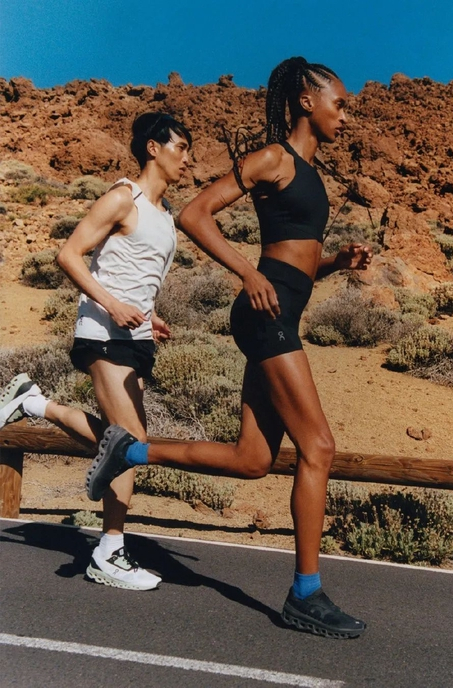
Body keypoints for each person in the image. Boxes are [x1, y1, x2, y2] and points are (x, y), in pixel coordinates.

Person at [85, 57, 372, 638]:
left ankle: (130, 453)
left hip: (281, 310)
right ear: (306, 102)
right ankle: (306, 594)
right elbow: (196, 214)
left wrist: (336, 262)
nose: (346, 115)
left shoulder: (312, 174)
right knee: (318, 446)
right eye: (339, 104)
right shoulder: (274, 158)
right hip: (266, 315)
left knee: (253, 460)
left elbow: (296, 262)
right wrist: (247, 271)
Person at [0, 111, 192, 591]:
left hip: (136, 335)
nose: (188, 159)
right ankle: (109, 551)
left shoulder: (166, 215)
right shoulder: (123, 197)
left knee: (122, 441)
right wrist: (113, 304)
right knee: (128, 441)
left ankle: (34, 403)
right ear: (153, 148)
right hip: (103, 330)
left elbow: (137, 274)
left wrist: (149, 315)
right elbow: (69, 254)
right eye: (181, 147)